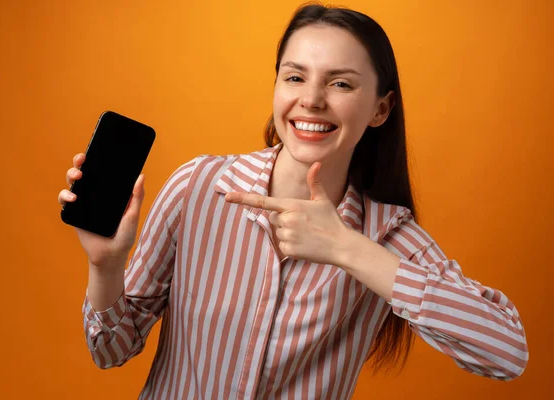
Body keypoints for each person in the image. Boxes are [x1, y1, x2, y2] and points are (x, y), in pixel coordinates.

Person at [58, 4, 528, 399]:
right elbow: (110, 350)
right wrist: (105, 266)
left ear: (380, 109)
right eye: (295, 77)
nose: (312, 100)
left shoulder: (387, 235)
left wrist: (347, 248)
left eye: (340, 84)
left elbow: (506, 351)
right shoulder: (197, 186)